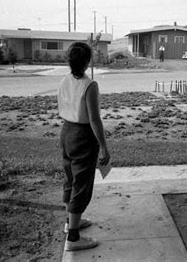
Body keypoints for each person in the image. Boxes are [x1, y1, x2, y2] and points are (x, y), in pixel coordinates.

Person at [57, 42, 111, 251]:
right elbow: (94, 120)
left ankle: (70, 222)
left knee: (70, 178)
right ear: (87, 61)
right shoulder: (90, 85)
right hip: (82, 135)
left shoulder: (64, 80)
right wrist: (104, 147)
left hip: (66, 132)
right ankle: (73, 237)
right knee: (82, 183)